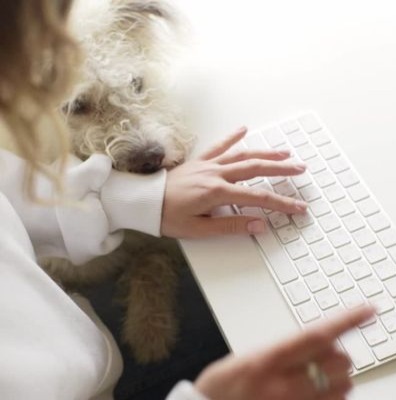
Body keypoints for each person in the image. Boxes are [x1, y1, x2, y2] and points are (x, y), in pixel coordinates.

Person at [0, 1, 375, 399]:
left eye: (137, 86)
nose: (142, 141)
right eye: (79, 107)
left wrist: (137, 201)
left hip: (78, 338)